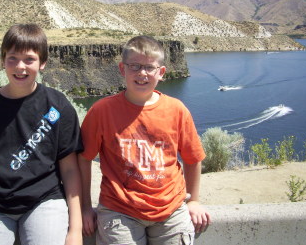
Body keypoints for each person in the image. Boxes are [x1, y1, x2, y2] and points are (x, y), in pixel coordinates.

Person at [0, 24, 83, 245]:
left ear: (43, 62)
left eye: (29, 59)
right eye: (12, 58)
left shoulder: (57, 106)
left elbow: (69, 169)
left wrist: (75, 229)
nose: (20, 67)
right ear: (2, 60)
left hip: (44, 201)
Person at [78, 35, 211, 245]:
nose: (142, 73)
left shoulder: (176, 110)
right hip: (119, 210)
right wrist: (84, 208)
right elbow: (83, 158)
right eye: (135, 66)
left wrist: (193, 200)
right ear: (122, 69)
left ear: (162, 72)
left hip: (171, 209)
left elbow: (193, 158)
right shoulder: (102, 111)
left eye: (149, 68)